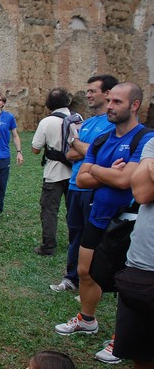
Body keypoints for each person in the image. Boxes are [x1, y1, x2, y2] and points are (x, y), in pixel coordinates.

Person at [54, 82, 154, 363]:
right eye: (109, 101)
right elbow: (82, 178)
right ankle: (87, 319)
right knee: (85, 271)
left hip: (126, 221)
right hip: (97, 215)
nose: (109, 106)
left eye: (117, 102)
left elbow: (127, 181)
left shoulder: (144, 139)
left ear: (134, 105)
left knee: (126, 283)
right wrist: (107, 171)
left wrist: (97, 171)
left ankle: (121, 339)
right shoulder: (101, 140)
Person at [50, 75, 117, 292]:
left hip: (93, 187)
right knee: (75, 233)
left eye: (92, 91)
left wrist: (78, 143)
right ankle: (72, 277)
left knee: (94, 236)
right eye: (87, 91)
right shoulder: (87, 123)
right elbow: (70, 155)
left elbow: (97, 153)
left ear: (108, 94)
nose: (88, 95)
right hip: (74, 186)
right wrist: (85, 149)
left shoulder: (111, 125)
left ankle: (93, 282)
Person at [112, 138, 154, 369]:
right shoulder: (153, 144)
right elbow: (142, 192)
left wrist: (149, 168)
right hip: (142, 266)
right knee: (142, 354)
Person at [31, 88, 73, 255]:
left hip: (54, 173)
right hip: (74, 172)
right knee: (74, 210)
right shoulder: (78, 119)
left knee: (49, 210)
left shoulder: (47, 122)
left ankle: (48, 246)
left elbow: (35, 148)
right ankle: (75, 242)